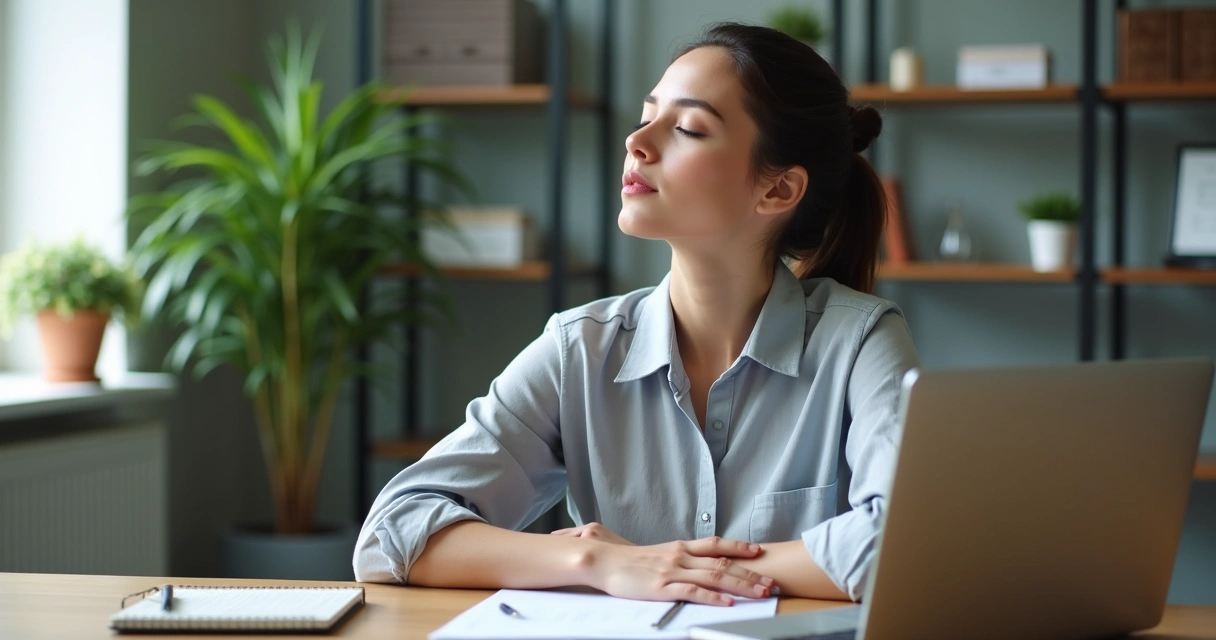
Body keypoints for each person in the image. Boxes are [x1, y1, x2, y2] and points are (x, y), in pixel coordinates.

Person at [354, 22, 918, 606]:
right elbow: (392, 534)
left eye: (688, 128)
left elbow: (905, 544)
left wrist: (688, 568)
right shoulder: (580, 350)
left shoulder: (861, 342)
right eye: (646, 115)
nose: (638, 142)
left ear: (778, 191)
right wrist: (601, 561)